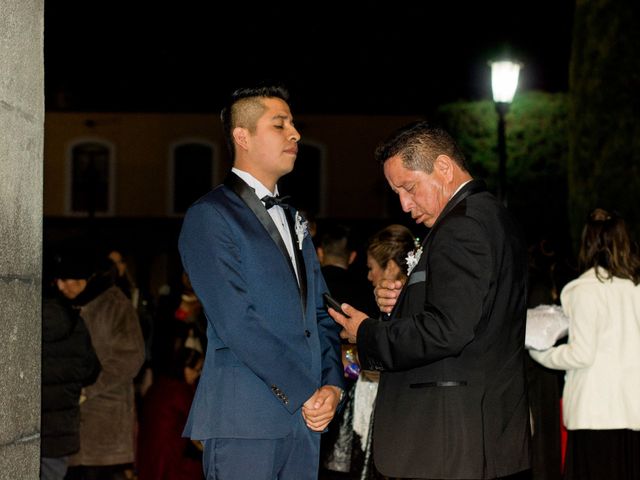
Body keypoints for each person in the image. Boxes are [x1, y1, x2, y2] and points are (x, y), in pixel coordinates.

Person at [329, 122, 531, 479]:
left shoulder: (462, 227)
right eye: (398, 194)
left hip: (449, 440)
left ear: (443, 167)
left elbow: (447, 330)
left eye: (409, 188)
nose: (405, 205)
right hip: (480, 434)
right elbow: (474, 313)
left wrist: (368, 332)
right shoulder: (491, 215)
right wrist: (405, 300)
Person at [178, 83, 344, 480]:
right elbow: (237, 321)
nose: (295, 134)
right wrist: (306, 390)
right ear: (243, 136)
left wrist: (332, 385)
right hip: (244, 422)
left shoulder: (294, 218)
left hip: (306, 424)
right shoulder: (210, 216)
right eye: (279, 124)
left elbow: (322, 311)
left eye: (294, 124)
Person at [529, 208, 640, 480]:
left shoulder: (582, 290)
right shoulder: (636, 287)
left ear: (587, 243)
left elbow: (581, 354)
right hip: (633, 411)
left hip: (595, 413)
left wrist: (539, 352)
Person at [53, 246, 146, 480]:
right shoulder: (68, 304)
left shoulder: (114, 303)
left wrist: (88, 389)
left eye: (67, 279)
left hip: (105, 426)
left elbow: (130, 358)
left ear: (84, 278)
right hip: (73, 431)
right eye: (58, 280)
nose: (61, 286)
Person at [41, 279, 101, 480]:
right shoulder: (76, 323)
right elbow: (91, 370)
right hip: (60, 430)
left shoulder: (20, 320)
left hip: (20, 427)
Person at [136, 346, 205, 480]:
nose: (197, 375)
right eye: (195, 370)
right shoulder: (180, 391)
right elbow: (196, 426)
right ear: (184, 367)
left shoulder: (160, 384)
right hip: (168, 454)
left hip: (148, 452)